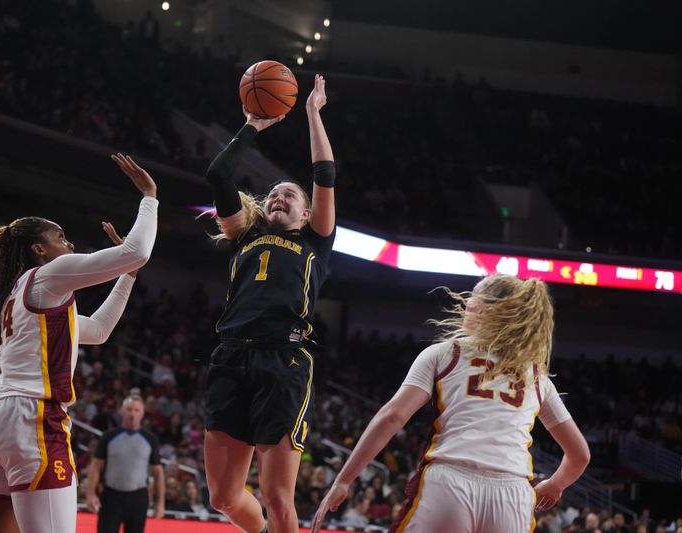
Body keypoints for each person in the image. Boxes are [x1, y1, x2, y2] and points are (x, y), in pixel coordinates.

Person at [0, 153, 159, 533]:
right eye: (60, 237)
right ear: (39, 250)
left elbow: (99, 330)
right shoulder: (47, 275)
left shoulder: (20, 292)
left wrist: (128, 277)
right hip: (29, 416)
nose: (69, 244)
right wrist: (150, 197)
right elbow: (136, 249)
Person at [311, 274, 591, 533]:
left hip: (450, 481)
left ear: (487, 309)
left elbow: (392, 417)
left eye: (473, 297)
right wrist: (555, 485)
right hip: (512, 493)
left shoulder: (446, 354)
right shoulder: (537, 377)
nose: (467, 302)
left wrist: (344, 480)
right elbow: (579, 455)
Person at [202, 74, 335, 533]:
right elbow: (218, 175)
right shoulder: (245, 234)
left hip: (284, 358)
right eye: (274, 193)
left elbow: (324, 175)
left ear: (306, 213)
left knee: (279, 499)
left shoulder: (316, 242)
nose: (280, 197)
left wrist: (312, 115)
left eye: (291, 195)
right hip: (231, 354)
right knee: (221, 497)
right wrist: (252, 127)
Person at [85, 395, 166, 533]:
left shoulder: (150, 439)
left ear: (142, 413)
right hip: (111, 495)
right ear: (122, 411)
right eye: (129, 409)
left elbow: (158, 472)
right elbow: (95, 466)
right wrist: (90, 494)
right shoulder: (108, 437)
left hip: (138, 496)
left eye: (136, 410)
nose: (132, 413)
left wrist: (160, 503)